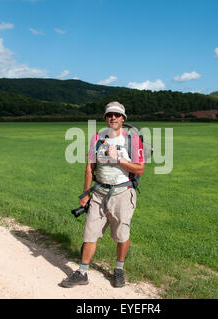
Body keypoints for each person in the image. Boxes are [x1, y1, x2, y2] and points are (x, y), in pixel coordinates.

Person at [61, 101, 145, 288]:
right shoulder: (97, 138)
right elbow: (90, 166)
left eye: (116, 115)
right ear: (105, 118)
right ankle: (82, 273)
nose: (113, 117)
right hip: (98, 193)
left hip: (122, 194)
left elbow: (140, 169)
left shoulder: (132, 140)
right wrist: (85, 193)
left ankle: (119, 270)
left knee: (122, 235)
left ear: (123, 118)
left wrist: (119, 159)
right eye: (109, 115)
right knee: (89, 234)